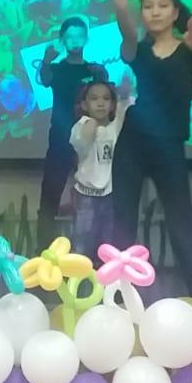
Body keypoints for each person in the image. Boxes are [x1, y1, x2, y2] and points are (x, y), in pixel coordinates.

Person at [111, 0, 192, 293]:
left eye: (163, 6)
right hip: (133, 143)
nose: (155, 12)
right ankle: (117, 296)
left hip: (169, 146)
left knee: (180, 225)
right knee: (123, 222)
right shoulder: (137, 49)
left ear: (175, 12)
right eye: (148, 6)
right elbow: (126, 31)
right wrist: (120, 5)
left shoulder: (190, 48)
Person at [36, 18, 106, 245]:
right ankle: (43, 249)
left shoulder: (93, 70)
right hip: (60, 139)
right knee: (50, 197)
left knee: (93, 197)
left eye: (79, 36)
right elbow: (44, 78)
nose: (75, 41)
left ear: (87, 39)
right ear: (62, 40)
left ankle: (93, 250)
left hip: (89, 143)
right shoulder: (56, 69)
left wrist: (102, 76)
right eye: (70, 36)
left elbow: (106, 100)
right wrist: (46, 60)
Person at [70, 79, 130, 258]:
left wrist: (123, 95)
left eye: (106, 99)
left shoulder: (114, 128)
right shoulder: (81, 126)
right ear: (84, 105)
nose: (101, 103)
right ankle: (79, 274)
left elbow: (123, 108)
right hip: (86, 195)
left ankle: (107, 275)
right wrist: (91, 122)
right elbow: (84, 141)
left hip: (109, 195)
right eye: (94, 99)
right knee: (82, 242)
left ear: (112, 105)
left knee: (108, 244)